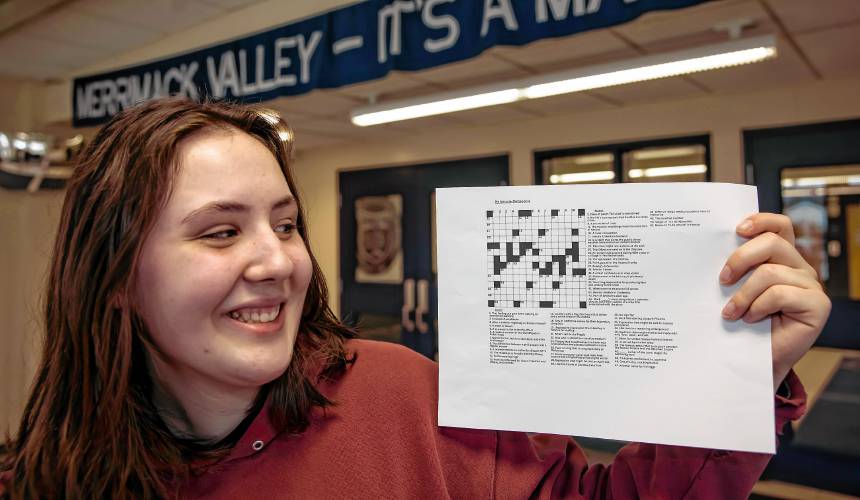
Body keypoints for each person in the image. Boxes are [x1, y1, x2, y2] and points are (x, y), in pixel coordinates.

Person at [0, 98, 830, 499]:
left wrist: (741, 374)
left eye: (286, 225)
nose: (276, 262)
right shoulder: (43, 478)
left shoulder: (398, 393)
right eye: (220, 233)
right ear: (114, 277)